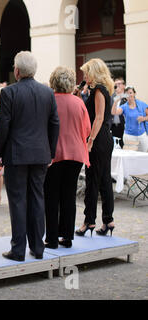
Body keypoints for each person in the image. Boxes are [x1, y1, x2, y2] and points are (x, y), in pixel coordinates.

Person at [0, 51, 60, 262]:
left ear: (17, 70)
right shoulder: (47, 93)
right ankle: (38, 247)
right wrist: (50, 151)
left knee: (18, 201)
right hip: (40, 153)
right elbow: (54, 124)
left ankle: (18, 249)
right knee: (37, 199)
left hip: (17, 153)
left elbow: (3, 125)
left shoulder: (9, 93)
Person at [44, 66, 91, 249]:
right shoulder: (78, 102)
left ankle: (52, 238)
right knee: (69, 195)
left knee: (51, 196)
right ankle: (68, 237)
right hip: (76, 153)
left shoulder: (49, 101)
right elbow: (86, 129)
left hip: (53, 154)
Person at [75, 58, 115, 238]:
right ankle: (108, 220)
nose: (84, 76)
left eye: (86, 73)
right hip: (104, 137)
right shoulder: (101, 90)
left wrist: (90, 140)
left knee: (92, 180)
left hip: (98, 139)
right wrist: (78, 96)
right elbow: (87, 113)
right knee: (105, 179)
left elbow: (98, 118)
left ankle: (88, 221)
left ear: (94, 73)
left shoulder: (99, 90)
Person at [111, 86, 148, 152]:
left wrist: (144, 118)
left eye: (130, 93)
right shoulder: (124, 107)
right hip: (129, 137)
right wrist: (115, 101)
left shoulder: (142, 104)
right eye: (127, 94)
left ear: (134, 93)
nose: (129, 95)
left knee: (143, 157)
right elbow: (114, 112)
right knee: (131, 158)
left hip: (142, 136)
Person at [110, 78, 127, 148]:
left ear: (124, 86)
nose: (117, 86)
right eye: (115, 84)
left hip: (123, 126)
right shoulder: (111, 97)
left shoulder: (127, 97)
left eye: (119, 84)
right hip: (112, 125)